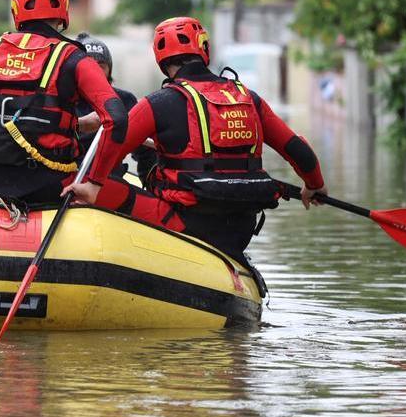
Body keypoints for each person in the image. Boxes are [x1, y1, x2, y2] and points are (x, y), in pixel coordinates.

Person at [66, 16, 326, 264]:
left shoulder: (157, 103)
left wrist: (92, 185)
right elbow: (298, 149)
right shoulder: (248, 98)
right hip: (241, 226)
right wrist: (314, 184)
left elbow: (111, 147)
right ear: (204, 49)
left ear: (160, 58)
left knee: (81, 185)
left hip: (186, 223)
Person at [0, 0, 128, 205]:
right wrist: (94, 184)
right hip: (48, 190)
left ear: (16, 10)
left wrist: (79, 124)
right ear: (64, 9)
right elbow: (117, 118)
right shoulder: (75, 59)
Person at [74, 32, 156, 183]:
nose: (95, 72)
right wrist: (81, 125)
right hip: (68, 180)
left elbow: (147, 152)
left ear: (109, 70)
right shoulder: (59, 99)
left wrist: (152, 184)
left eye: (101, 66)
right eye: (88, 66)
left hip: (109, 181)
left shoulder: (124, 100)